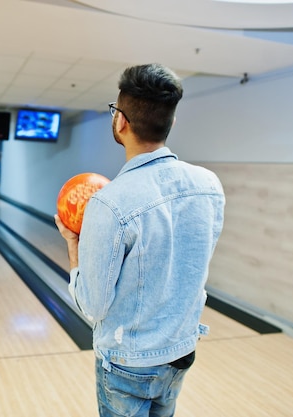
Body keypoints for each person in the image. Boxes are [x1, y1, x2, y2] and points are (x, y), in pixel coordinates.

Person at [54, 63, 225, 417]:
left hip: (127, 363)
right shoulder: (210, 185)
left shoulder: (109, 202)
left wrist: (74, 247)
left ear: (120, 121)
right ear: (171, 122)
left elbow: (93, 305)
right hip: (180, 352)